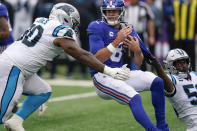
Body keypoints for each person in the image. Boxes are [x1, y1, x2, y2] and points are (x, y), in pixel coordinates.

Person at [1, 3, 131, 131]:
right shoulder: (61, 29)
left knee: (43, 91)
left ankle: (15, 122)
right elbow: (78, 53)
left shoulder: (41, 21)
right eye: (73, 22)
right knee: (1, 115)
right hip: (14, 68)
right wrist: (108, 70)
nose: (73, 27)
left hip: (17, 67)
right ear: (64, 17)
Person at [87, 0, 169, 130]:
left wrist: (136, 50)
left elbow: (138, 62)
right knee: (134, 97)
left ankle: (163, 127)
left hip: (120, 72)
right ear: (103, 11)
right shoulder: (96, 26)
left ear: (122, 11)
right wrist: (117, 41)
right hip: (102, 75)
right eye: (108, 11)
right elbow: (95, 60)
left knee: (157, 81)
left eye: (114, 11)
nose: (111, 14)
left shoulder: (127, 29)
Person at [146, 48, 197, 131]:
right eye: (178, 64)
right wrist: (158, 67)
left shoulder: (194, 75)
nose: (183, 66)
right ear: (170, 66)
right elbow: (168, 85)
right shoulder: (172, 80)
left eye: (184, 62)